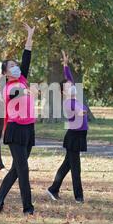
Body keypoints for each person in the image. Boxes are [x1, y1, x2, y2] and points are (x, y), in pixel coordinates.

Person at [0, 23, 36, 215]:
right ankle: (28, 208)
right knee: (23, 170)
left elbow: (27, 56)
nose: (16, 67)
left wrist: (30, 36)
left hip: (28, 129)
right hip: (15, 131)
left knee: (17, 169)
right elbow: (17, 93)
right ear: (6, 72)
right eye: (11, 66)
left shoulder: (22, 78)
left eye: (16, 65)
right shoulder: (9, 87)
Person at [46, 51, 88, 204]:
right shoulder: (68, 102)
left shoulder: (74, 98)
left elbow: (69, 78)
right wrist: (81, 111)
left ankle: (53, 189)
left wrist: (65, 65)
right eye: (68, 87)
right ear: (63, 91)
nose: (72, 87)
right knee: (75, 168)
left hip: (80, 135)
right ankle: (79, 197)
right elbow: (77, 112)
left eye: (72, 86)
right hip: (74, 137)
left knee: (66, 166)